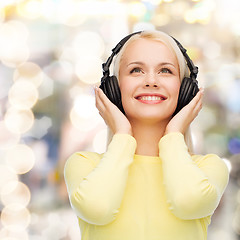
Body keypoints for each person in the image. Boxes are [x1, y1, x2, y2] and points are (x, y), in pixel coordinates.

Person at [64, 30, 229, 240]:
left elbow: (188, 201)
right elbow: (98, 207)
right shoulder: (84, 165)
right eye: (136, 70)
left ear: (186, 90)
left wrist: (173, 134)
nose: (151, 81)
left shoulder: (208, 169)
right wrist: (122, 135)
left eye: (166, 71)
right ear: (113, 88)